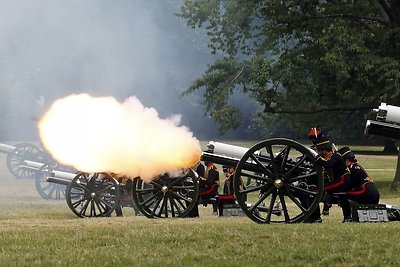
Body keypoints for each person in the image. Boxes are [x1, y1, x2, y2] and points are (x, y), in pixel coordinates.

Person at [314, 138, 352, 222]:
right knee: (343, 198)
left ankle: (315, 217)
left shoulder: (336, 156)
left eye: (319, 151)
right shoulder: (333, 156)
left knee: (318, 190)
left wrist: (317, 159)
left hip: (342, 180)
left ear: (324, 151)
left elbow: (329, 164)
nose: (319, 153)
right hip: (342, 180)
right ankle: (347, 218)